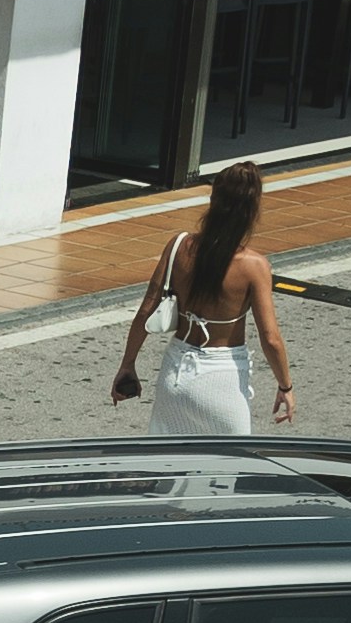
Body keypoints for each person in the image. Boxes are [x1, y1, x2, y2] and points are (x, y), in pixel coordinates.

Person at [117, 162, 294, 439]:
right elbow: (270, 338)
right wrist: (285, 386)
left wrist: (127, 364)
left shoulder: (178, 246)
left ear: (213, 200)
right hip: (222, 381)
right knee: (230, 462)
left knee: (169, 460)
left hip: (175, 375)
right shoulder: (254, 266)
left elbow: (146, 311)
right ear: (252, 210)